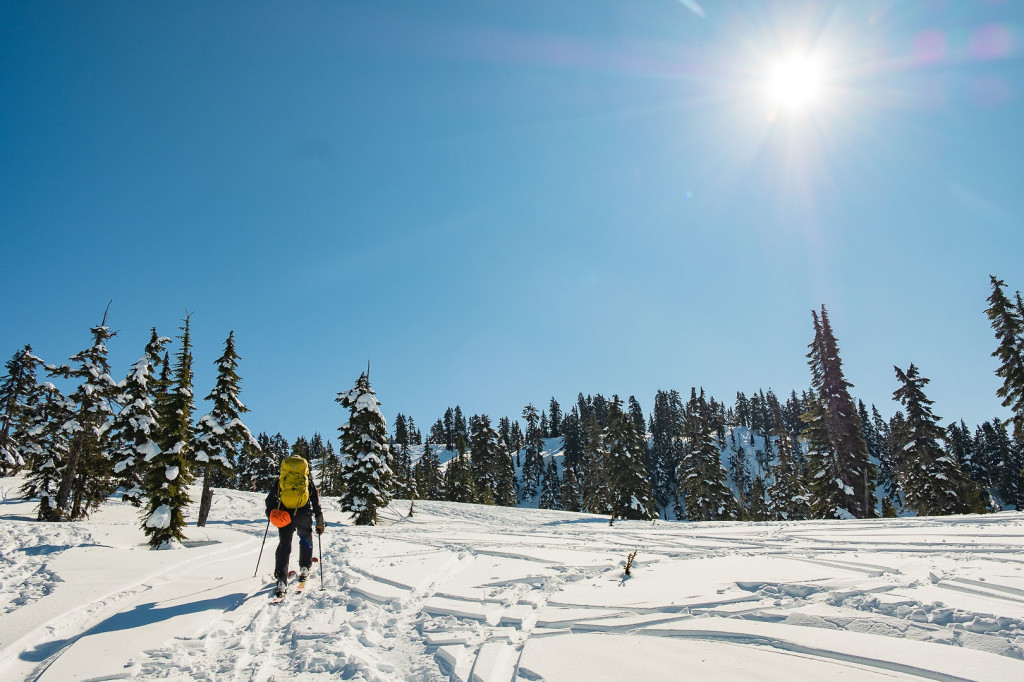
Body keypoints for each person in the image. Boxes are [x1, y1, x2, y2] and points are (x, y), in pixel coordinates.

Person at [265, 457, 325, 595]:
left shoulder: (282, 480)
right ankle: (305, 567)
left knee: (284, 544)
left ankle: (281, 578)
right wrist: (319, 520)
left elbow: (270, 500)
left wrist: (271, 514)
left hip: (284, 515)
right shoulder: (306, 481)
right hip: (303, 514)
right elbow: (315, 501)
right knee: (305, 538)